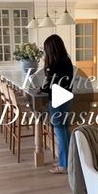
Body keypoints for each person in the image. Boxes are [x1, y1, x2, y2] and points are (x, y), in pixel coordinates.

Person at [36, 34, 73, 174]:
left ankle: (64, 165)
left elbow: (50, 84)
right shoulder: (66, 60)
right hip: (66, 98)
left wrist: (40, 89)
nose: (45, 52)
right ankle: (67, 161)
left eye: (46, 49)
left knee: (60, 131)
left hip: (58, 100)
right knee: (64, 130)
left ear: (51, 49)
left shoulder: (54, 64)